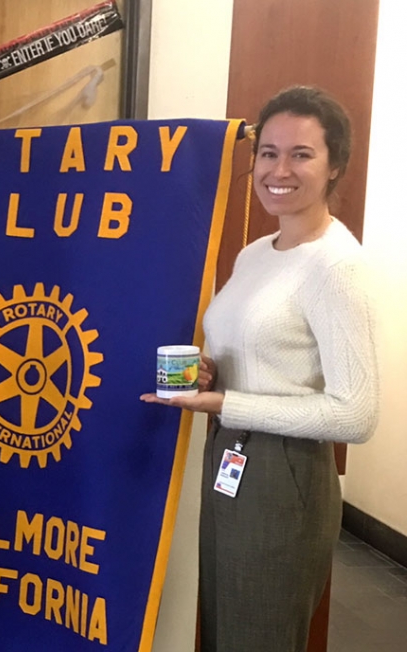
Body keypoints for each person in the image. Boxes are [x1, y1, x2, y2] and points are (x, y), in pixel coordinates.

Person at [141, 86, 379, 651]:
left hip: (285, 472)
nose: (280, 169)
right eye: (268, 152)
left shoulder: (337, 267)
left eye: (301, 154)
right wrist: (211, 375)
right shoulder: (258, 252)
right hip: (230, 455)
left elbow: (356, 415)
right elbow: (259, 356)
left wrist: (225, 403)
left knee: (261, 635)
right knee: (224, 625)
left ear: (335, 164)